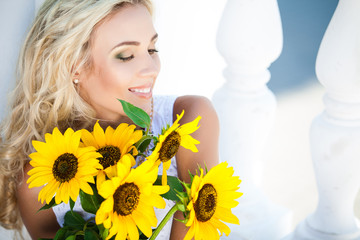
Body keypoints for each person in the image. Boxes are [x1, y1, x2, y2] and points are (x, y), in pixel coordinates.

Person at [0, 0, 219, 239]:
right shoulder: (41, 183)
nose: (151, 69)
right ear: (74, 66)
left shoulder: (189, 120)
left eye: (152, 49)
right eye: (125, 56)